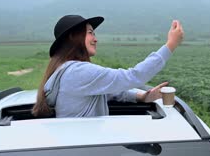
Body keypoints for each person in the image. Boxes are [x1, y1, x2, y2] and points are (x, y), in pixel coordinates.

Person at [32, 14, 184, 117]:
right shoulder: (78, 72)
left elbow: (108, 91)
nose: (95, 39)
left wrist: (142, 97)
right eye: (90, 32)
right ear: (73, 37)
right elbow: (133, 76)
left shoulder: (65, 70)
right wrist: (171, 45)